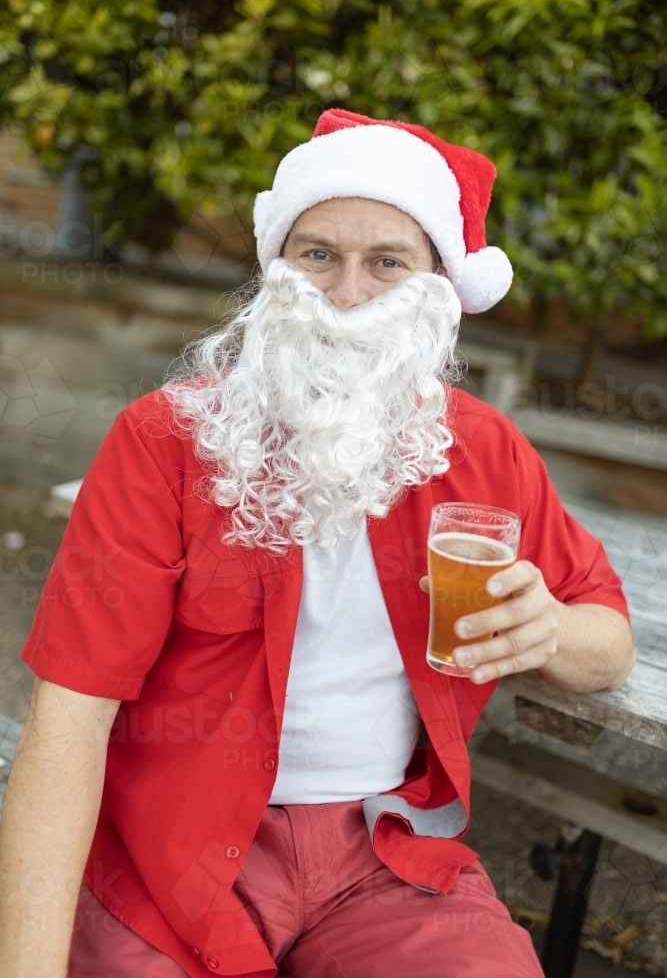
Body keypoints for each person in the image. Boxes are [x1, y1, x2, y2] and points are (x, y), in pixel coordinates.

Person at [0, 109, 634, 978]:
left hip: (387, 855)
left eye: (387, 262)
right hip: (169, 854)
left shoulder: (483, 450)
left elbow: (607, 640)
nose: (345, 293)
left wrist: (549, 632)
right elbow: (67, 725)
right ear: (275, 271)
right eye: (318, 254)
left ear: (438, 290)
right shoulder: (164, 442)